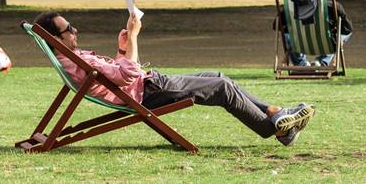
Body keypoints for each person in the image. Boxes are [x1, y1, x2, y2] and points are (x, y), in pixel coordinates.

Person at [33, 12, 317, 147]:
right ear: (56, 38)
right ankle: (276, 130)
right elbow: (127, 75)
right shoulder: (78, 59)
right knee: (220, 88)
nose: (75, 29)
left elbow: (116, 74)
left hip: (146, 86)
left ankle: (273, 113)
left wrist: (122, 48)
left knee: (217, 76)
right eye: (68, 28)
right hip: (148, 91)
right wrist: (133, 37)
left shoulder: (70, 58)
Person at [276, 0, 353, 67]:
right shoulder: (333, 6)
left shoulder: (291, 7)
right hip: (325, 44)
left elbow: (277, 25)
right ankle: (321, 62)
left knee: (288, 35)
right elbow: (347, 29)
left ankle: (301, 64)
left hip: (298, 45)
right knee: (341, 35)